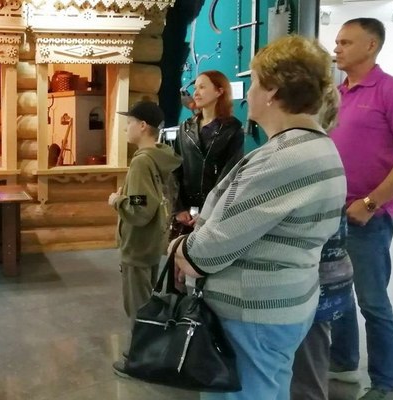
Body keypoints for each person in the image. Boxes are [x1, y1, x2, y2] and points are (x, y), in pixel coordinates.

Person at [170, 35, 347, 400]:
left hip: (252, 316)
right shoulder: (319, 146)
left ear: (272, 92)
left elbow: (206, 253)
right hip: (283, 305)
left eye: (253, 82)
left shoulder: (282, 159)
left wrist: (178, 248)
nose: (247, 93)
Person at [328, 18, 393, 400]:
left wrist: (372, 203)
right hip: (332, 213)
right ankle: (342, 362)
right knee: (336, 293)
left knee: (372, 302)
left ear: (371, 45)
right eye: (337, 42)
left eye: (345, 42)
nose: (336, 48)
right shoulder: (336, 94)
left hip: (369, 217)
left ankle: (387, 383)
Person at [290, 84, 355, 400]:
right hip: (322, 277)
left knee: (308, 370)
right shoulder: (324, 151)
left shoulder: (312, 156)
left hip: (317, 280)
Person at [108, 101, 182, 376]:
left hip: (138, 244)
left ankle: (142, 360)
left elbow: (140, 206)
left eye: (129, 123)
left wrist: (118, 201)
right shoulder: (160, 158)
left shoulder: (141, 162)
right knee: (146, 300)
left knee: (138, 305)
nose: (125, 128)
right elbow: (151, 199)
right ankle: (148, 352)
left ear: (142, 126)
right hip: (151, 242)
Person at [173, 70, 244, 231]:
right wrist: (178, 208)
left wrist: (210, 212)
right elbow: (175, 169)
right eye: (195, 88)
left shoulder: (233, 129)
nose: (196, 93)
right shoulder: (185, 127)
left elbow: (230, 175)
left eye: (202, 87)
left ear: (219, 91)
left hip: (215, 216)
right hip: (185, 215)